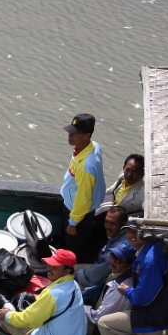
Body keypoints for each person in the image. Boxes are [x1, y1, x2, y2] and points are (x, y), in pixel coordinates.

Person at [98, 223, 168, 335]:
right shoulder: (157, 246)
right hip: (163, 309)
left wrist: (126, 290)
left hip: (152, 312)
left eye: (137, 232)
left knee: (104, 324)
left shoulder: (150, 260)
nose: (132, 235)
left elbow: (143, 297)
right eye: (129, 231)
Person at [0, 249, 86, 335]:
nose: (49, 268)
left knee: (3, 318)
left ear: (67, 271)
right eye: (50, 264)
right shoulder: (74, 285)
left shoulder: (52, 295)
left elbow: (29, 320)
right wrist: (36, 298)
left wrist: (7, 316)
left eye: (55, 267)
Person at [59, 113, 105, 264]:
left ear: (86, 135)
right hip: (76, 208)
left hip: (78, 213)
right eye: (70, 132)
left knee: (74, 250)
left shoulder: (86, 167)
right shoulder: (93, 146)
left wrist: (73, 223)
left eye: (75, 133)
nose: (70, 136)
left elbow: (84, 199)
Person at [83, 242, 137, 335]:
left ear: (129, 266)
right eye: (112, 256)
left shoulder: (119, 287)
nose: (112, 261)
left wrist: (81, 307)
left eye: (118, 260)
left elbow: (97, 318)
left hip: (100, 332)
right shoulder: (115, 275)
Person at [74, 206, 128, 289]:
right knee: (68, 268)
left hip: (101, 279)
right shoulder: (116, 234)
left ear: (123, 224)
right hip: (96, 267)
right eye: (106, 222)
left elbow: (101, 272)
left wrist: (78, 276)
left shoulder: (119, 248)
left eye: (113, 223)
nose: (108, 226)